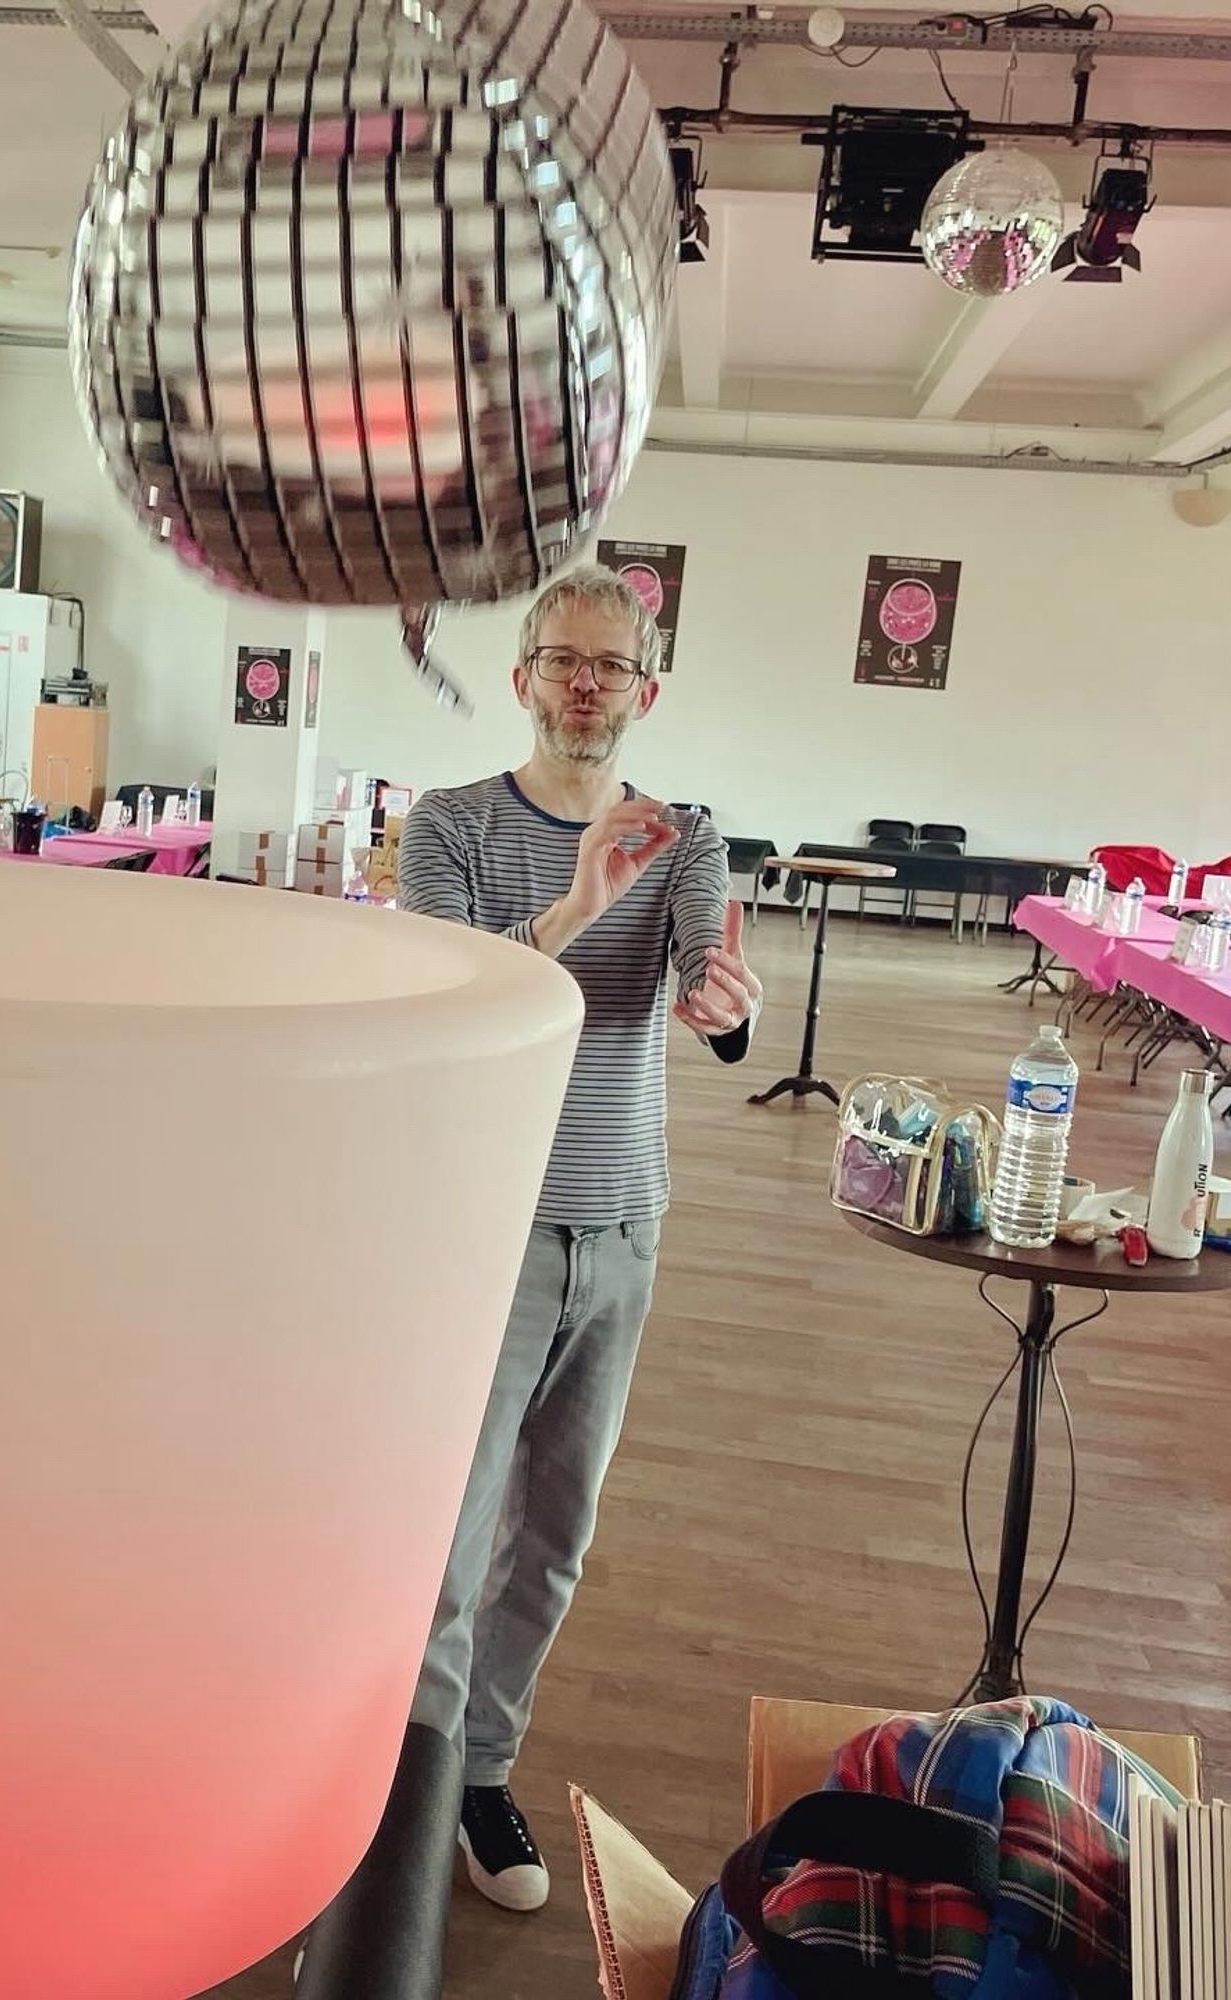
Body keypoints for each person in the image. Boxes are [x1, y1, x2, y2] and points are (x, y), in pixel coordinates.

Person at [397, 564, 763, 1913]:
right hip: (486, 1224)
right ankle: (416, 1780)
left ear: (646, 689)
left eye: (612, 665)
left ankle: (484, 1769)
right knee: (447, 1530)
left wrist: (728, 1007)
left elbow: (705, 988)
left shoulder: (686, 833)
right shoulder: (449, 829)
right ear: (524, 677)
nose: (586, 682)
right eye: (563, 658)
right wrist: (575, 902)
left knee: (554, 1532)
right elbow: (449, 1008)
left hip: (623, 1218)